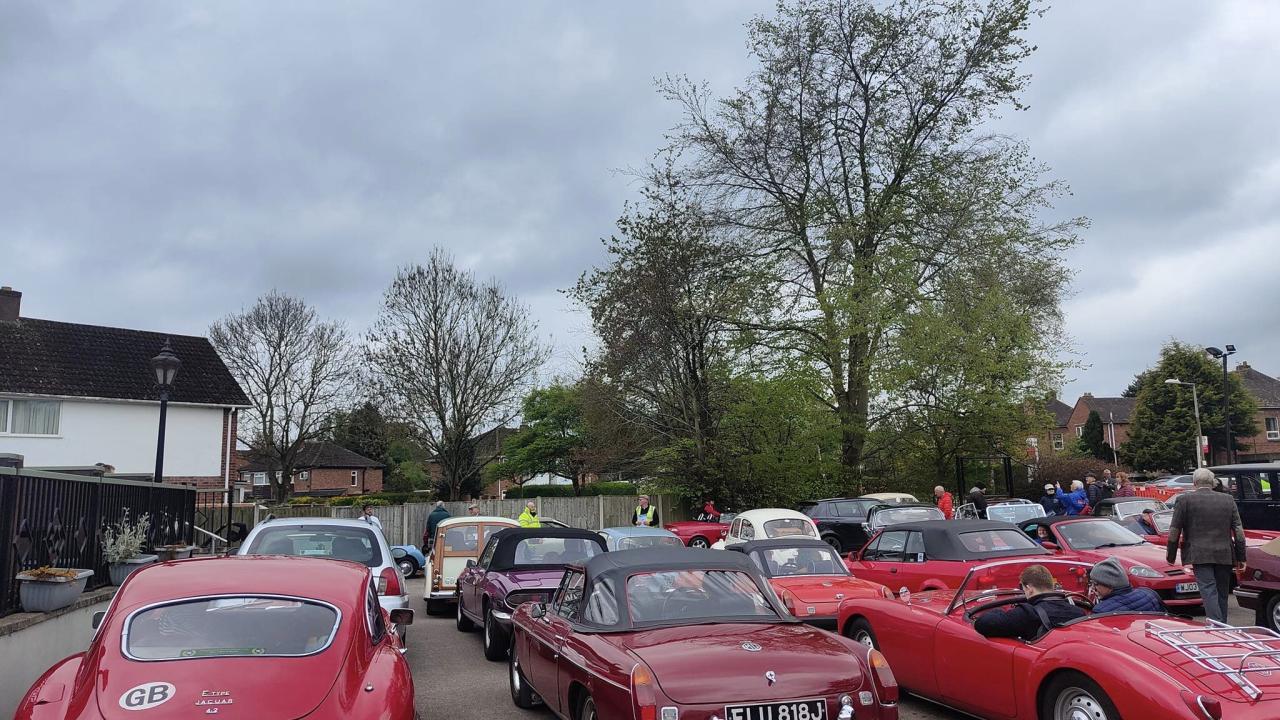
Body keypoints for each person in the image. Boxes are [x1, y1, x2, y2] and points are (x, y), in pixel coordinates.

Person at [1166, 468, 1246, 623]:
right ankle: (1222, 625)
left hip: (1199, 553)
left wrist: (1170, 555)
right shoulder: (1228, 500)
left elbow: (1174, 531)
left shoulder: (1184, 500)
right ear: (1212, 482)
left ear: (1194, 483)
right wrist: (1241, 556)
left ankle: (1216, 626)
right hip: (1225, 553)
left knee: (1208, 590)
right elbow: (1238, 530)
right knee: (1222, 592)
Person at [974, 564, 1085, 640]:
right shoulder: (1078, 611)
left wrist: (1000, 610)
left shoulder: (1028, 613)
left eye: (1023, 588)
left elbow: (983, 624)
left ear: (1029, 588)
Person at [1090, 557, 1164, 613]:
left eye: (1096, 584)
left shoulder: (1101, 611)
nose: (1093, 588)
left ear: (1110, 585)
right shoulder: (1149, 593)